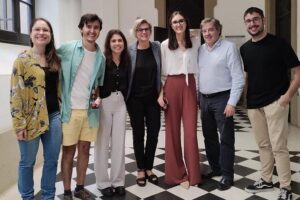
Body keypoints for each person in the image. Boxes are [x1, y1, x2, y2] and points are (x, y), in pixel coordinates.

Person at [240, 7, 300, 200]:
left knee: (278, 147)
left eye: (255, 19)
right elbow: (248, 75)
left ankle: (286, 187)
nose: (252, 24)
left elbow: (297, 72)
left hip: (276, 102)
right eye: (248, 21)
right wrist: (245, 100)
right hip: (254, 105)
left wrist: (287, 97)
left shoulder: (279, 44)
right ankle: (266, 180)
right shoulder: (245, 49)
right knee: (263, 145)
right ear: (245, 24)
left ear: (263, 20)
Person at [10, 18, 61, 200]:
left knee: (52, 161)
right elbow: (15, 93)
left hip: (54, 116)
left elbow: (58, 88)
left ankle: (48, 196)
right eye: (37, 29)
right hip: (30, 119)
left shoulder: (54, 59)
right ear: (31, 34)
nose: (41, 33)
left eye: (45, 30)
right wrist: (18, 125)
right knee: (27, 163)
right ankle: (28, 197)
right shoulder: (22, 60)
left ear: (50, 35)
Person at [58, 14, 105, 200]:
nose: (92, 31)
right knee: (68, 151)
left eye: (96, 27)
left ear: (99, 31)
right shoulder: (68, 48)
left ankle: (80, 187)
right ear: (81, 28)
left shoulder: (100, 56)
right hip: (70, 111)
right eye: (88, 27)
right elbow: (50, 61)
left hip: (90, 112)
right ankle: (67, 192)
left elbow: (97, 85)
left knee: (85, 150)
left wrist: (99, 98)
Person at [198, 17, 245, 190]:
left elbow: (238, 77)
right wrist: (198, 98)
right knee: (209, 136)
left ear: (218, 30)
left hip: (223, 98)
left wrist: (232, 103)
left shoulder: (229, 48)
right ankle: (215, 168)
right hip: (204, 99)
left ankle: (227, 175)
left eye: (211, 29)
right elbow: (199, 74)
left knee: (225, 138)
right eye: (204, 31)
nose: (207, 33)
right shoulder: (200, 50)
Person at [158, 11, 201, 189]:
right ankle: (177, 174)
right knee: (172, 131)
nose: (178, 24)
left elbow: (198, 67)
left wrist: (198, 91)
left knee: (191, 132)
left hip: (190, 84)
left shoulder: (196, 41)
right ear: (171, 25)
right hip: (171, 85)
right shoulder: (165, 45)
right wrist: (161, 94)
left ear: (186, 22)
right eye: (175, 22)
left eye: (181, 21)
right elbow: (161, 72)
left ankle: (193, 174)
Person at [94, 29, 131, 197]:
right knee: (102, 143)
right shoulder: (102, 59)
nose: (117, 43)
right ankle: (103, 182)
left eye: (120, 40)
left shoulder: (126, 60)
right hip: (105, 102)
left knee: (119, 143)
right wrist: (96, 97)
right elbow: (94, 80)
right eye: (114, 41)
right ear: (109, 44)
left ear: (124, 43)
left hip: (121, 102)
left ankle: (118, 181)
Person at [127, 18, 161, 187]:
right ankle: (140, 168)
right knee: (138, 134)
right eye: (140, 29)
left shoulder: (157, 48)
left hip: (153, 99)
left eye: (147, 29)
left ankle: (149, 167)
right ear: (136, 32)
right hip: (135, 100)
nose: (144, 32)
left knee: (154, 133)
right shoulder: (130, 50)